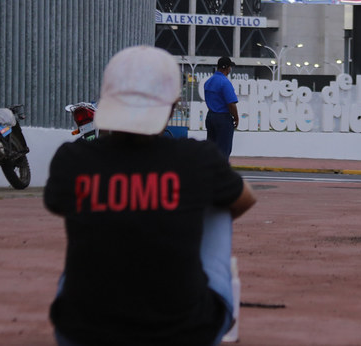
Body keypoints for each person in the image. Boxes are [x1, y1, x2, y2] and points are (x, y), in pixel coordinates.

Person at [44, 46, 256, 346]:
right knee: (219, 201)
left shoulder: (71, 159)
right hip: (188, 331)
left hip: (81, 332)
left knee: (86, 219)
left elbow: (57, 202)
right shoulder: (198, 159)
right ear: (173, 104)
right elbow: (246, 199)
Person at [204, 56, 239, 159]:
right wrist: (236, 118)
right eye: (230, 67)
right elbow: (231, 104)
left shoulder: (208, 82)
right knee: (223, 150)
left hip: (210, 116)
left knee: (211, 149)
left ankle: (210, 171)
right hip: (223, 118)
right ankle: (221, 172)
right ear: (227, 68)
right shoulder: (225, 83)